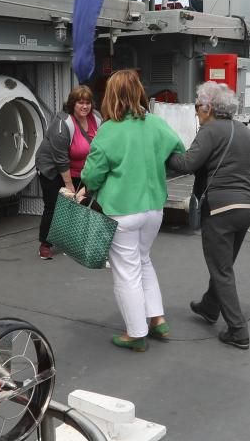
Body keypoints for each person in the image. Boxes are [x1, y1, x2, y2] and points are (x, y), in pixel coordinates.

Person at [78, 70, 185, 352]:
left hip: (122, 210)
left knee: (127, 272)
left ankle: (135, 333)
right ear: (139, 91)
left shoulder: (109, 130)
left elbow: (91, 175)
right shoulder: (155, 125)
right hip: (154, 207)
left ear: (111, 96)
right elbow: (180, 150)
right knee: (143, 260)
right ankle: (157, 319)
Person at [166, 81, 250, 350]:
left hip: (221, 209)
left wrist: (165, 151)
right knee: (223, 264)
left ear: (208, 108)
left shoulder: (209, 131)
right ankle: (209, 306)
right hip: (246, 208)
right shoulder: (244, 132)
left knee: (222, 268)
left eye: (197, 107)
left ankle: (238, 331)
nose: (196, 112)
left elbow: (188, 163)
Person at [34, 85, 100, 260]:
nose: (84, 106)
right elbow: (60, 158)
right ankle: (45, 244)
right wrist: (69, 186)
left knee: (81, 204)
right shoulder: (63, 124)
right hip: (54, 168)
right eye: (80, 102)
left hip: (82, 168)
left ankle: (71, 241)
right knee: (55, 205)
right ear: (72, 104)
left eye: (88, 103)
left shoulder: (97, 119)